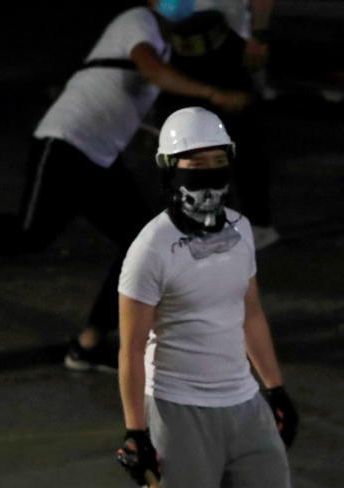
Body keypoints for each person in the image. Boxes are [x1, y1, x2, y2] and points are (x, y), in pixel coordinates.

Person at [19, 0, 253, 372]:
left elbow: (169, 78)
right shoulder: (137, 20)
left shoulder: (166, 41)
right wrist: (213, 93)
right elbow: (153, 72)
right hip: (66, 140)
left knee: (138, 242)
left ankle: (88, 343)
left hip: (99, 155)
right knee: (27, 234)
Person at [115, 107, 299, 488]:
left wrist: (274, 389)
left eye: (218, 163)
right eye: (194, 166)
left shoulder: (240, 230)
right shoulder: (150, 251)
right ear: (168, 171)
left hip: (244, 405)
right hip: (179, 412)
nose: (209, 178)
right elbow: (132, 348)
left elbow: (250, 312)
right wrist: (136, 432)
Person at [155, 0, 280, 249]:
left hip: (226, 44)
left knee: (243, 141)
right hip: (183, 48)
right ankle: (212, 223)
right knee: (193, 143)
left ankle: (258, 224)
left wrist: (259, 35)